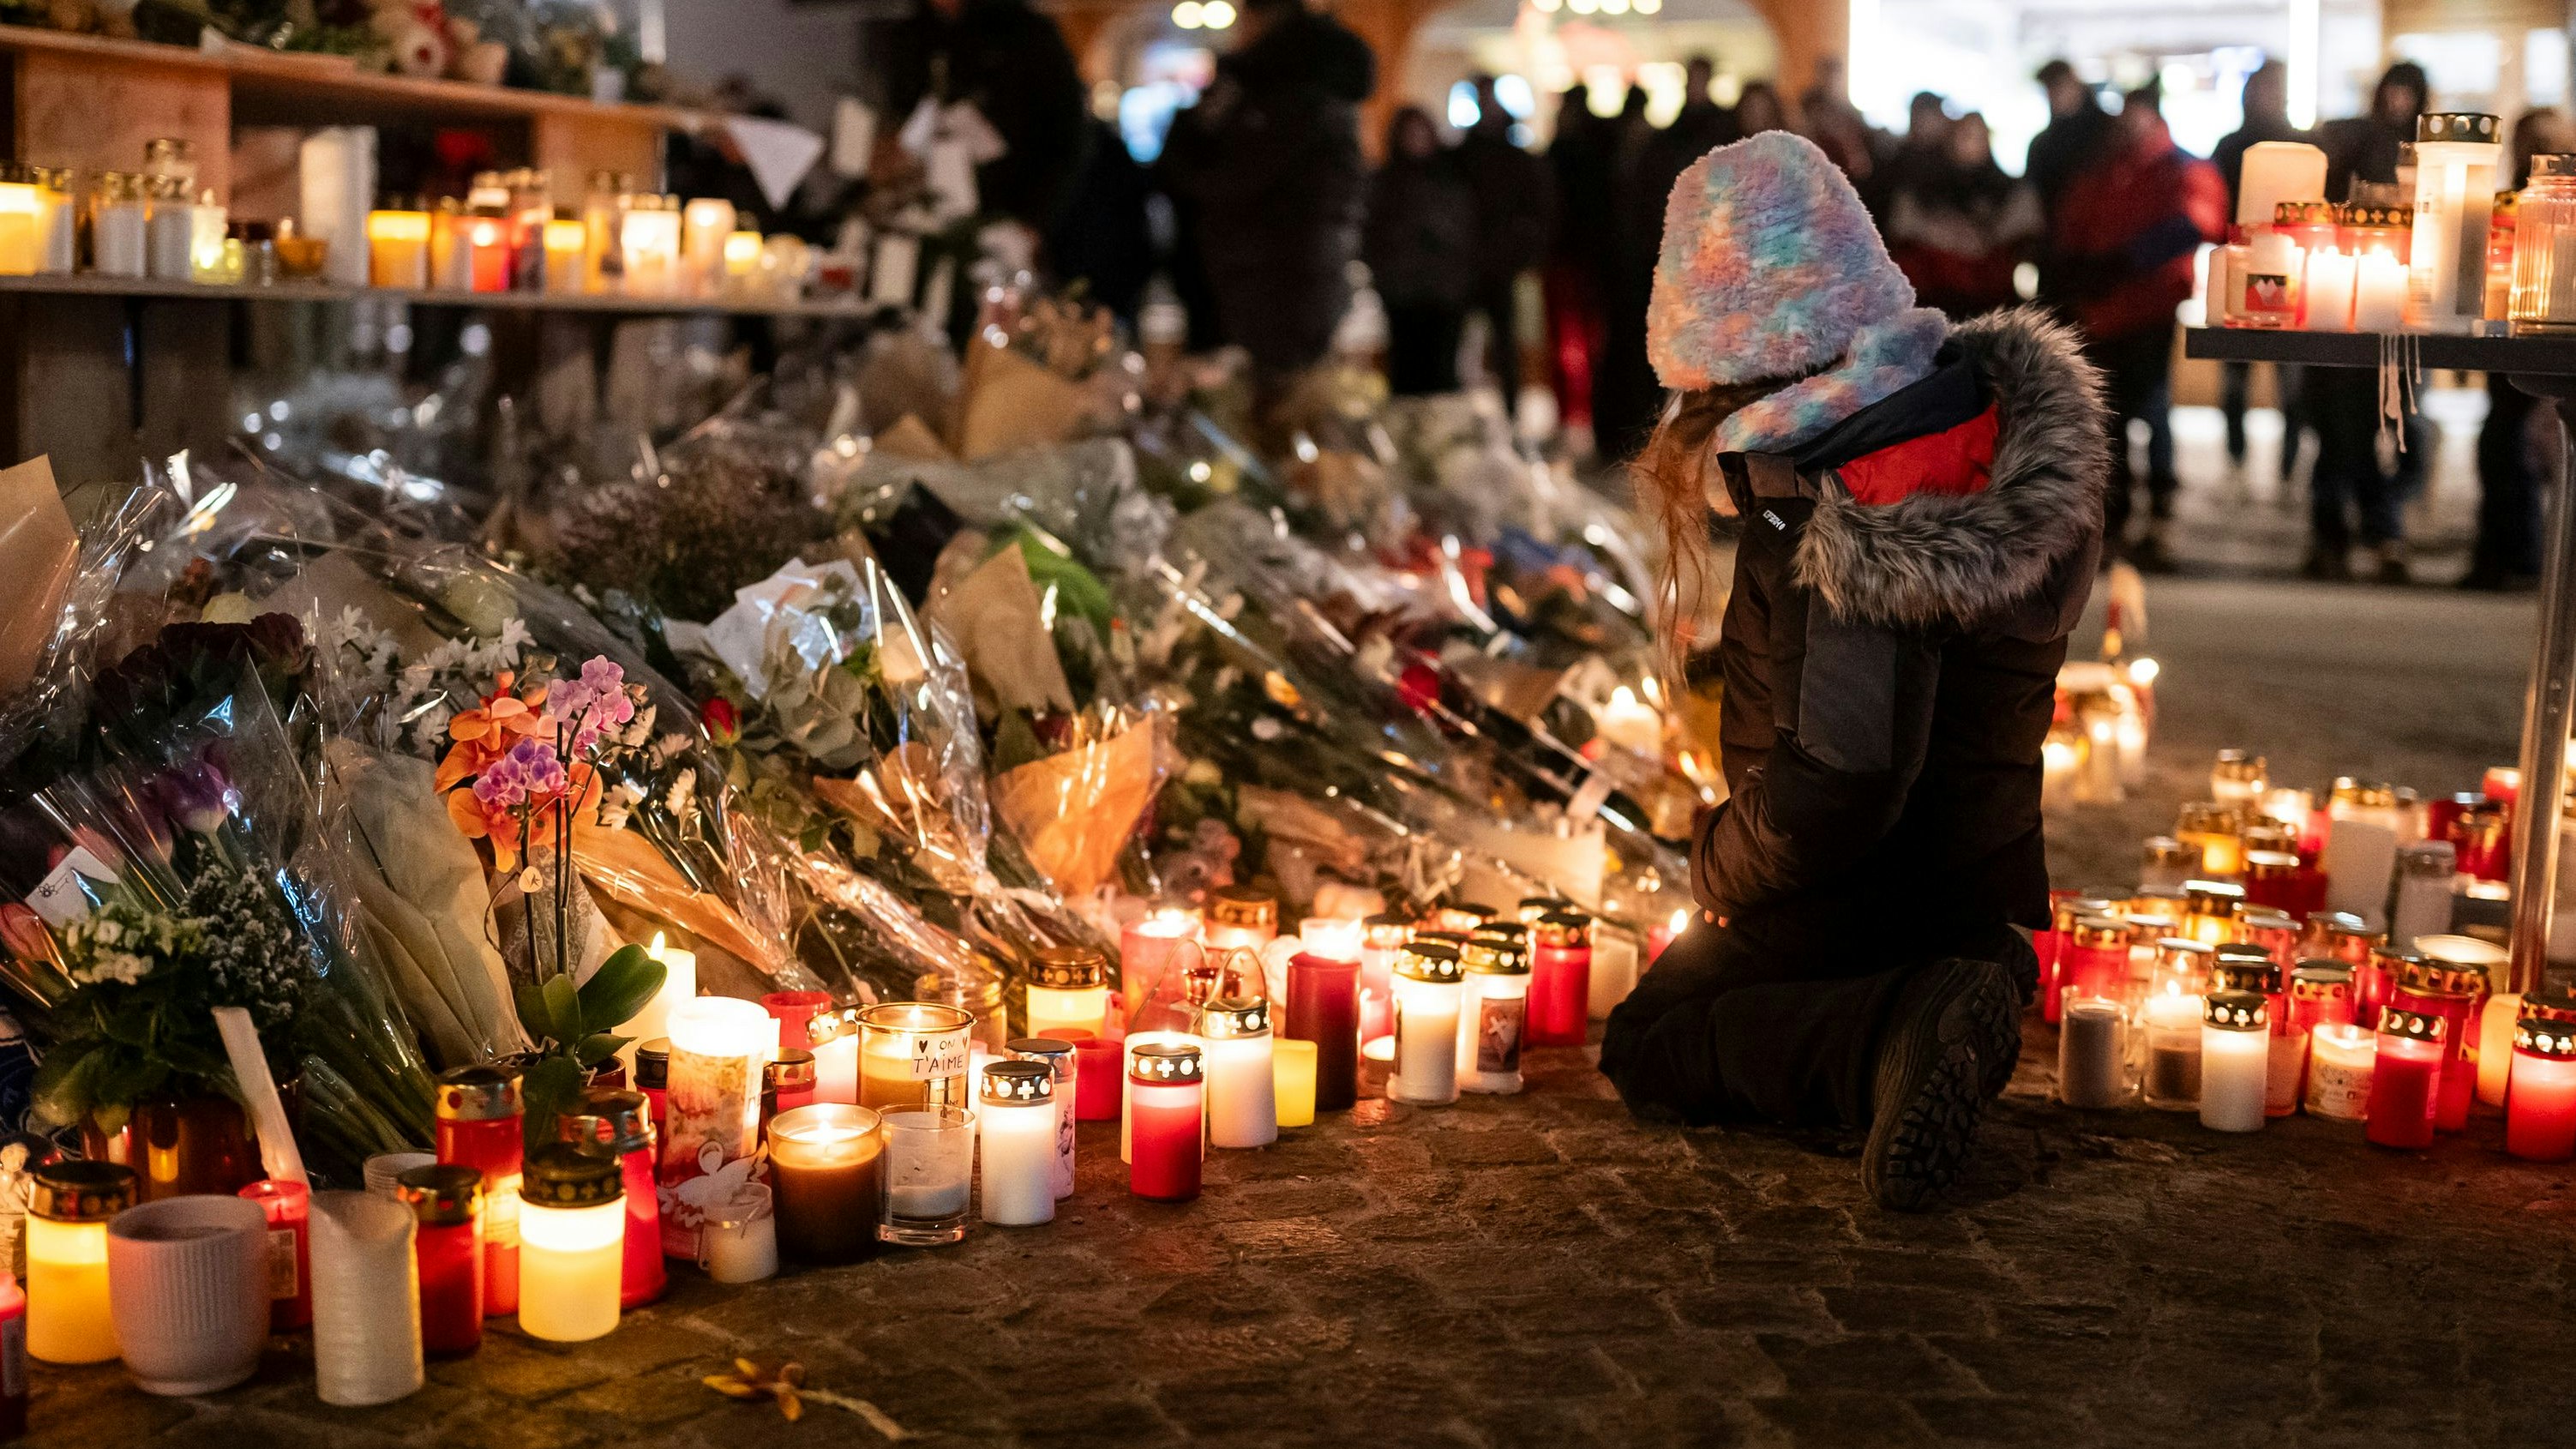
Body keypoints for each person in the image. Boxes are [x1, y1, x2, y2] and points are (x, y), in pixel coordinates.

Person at [1601, 132, 2105, 1212]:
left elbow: (1841, 779)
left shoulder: (1843, 507)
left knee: (1649, 1039)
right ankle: (1964, 969)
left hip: (1857, 892)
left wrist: (1717, 864)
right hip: (1968, 866)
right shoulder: (1967, 430)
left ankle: (1886, 1028)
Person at [2047, 84, 2227, 569]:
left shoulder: (2178, 167)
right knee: (2112, 415)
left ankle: (2160, 508)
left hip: (2148, 308)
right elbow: (2074, 223)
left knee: (2151, 406)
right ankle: (2119, 514)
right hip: (2103, 311)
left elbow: (2196, 222)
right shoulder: (2105, 168)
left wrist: (2126, 261)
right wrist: (2081, 270)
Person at [1160, 0, 1375, 407]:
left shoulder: (1276, 92)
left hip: (1274, 274)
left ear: (1266, 18)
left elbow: (1232, 174)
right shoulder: (1311, 90)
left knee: (1273, 404)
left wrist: (1191, 160)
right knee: (1283, 397)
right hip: (1293, 270)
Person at [2308, 63, 2430, 581]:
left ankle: (2371, 532)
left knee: (2377, 428)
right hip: (2339, 298)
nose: (2399, 100)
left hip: (2392, 305)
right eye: (2394, 89)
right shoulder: (2355, 138)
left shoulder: (2424, 153)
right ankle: (2347, 535)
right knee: (2339, 431)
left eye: (2410, 90)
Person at [2468, 108, 2576, 589]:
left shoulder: (2554, 203)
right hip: (2511, 330)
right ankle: (2508, 552)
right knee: (2502, 444)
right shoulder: (2508, 202)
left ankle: (2517, 553)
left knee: (2512, 446)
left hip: (2543, 336)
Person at [880, 0, 1090, 235]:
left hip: (1002, 217)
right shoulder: (907, 31)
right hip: (918, 210)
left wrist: (1032, 220)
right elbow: (897, 113)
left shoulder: (1026, 35)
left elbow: (1066, 137)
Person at [2211, 60, 2313, 477]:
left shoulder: (2300, 144)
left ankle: (2289, 451)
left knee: (2289, 371)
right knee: (2237, 368)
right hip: (2240, 264)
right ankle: (2237, 448)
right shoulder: (2231, 146)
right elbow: (2215, 203)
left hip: (2288, 266)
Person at [1455, 76, 1558, 411]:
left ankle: (1509, 412)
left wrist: (1523, 248)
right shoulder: (1463, 156)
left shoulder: (1515, 158)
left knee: (1505, 344)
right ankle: (1467, 415)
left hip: (1500, 262)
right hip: (1467, 262)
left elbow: (1539, 207)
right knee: (1464, 345)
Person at [1363, 107, 1480, 396]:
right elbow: (1372, 234)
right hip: (1401, 292)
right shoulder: (1385, 182)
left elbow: (1463, 231)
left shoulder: (1450, 180)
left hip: (1443, 293)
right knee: (1405, 370)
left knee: (1441, 371)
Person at [1883, 111, 2043, 320]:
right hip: (1937, 301)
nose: (1968, 143)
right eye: (1963, 135)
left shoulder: (2009, 192)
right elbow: (1906, 244)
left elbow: (2022, 246)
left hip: (1992, 305)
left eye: (1976, 136)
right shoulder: (1922, 194)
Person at [2026, 60, 2114, 212]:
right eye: (2049, 88)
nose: (2053, 94)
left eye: (2058, 85)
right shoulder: (2042, 145)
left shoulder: (2109, 130)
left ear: (2075, 84)